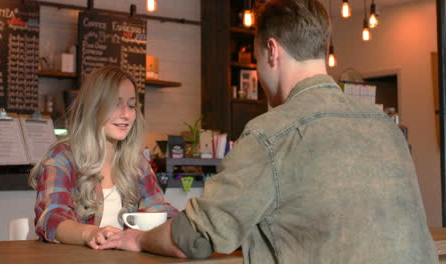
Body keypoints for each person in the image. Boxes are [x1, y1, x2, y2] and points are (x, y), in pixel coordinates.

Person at [98, 0, 438, 263]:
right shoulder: (386, 128)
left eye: (257, 60)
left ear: (272, 51)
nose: (259, 75)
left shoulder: (270, 133)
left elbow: (196, 237)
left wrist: (137, 239)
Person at [29, 66, 178, 248]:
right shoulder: (62, 157)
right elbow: (52, 219)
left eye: (131, 106)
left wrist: (196, 222)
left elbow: (159, 211)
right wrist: (91, 234)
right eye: (115, 104)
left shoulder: (136, 162)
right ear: (93, 106)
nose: (125, 114)